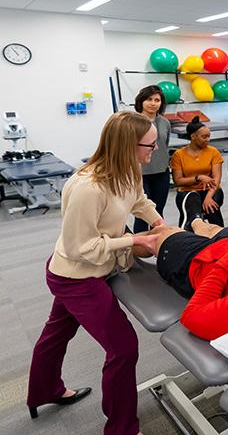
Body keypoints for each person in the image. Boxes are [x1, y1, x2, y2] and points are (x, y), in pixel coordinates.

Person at [27, 111, 164, 435]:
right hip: (75, 277)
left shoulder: (129, 170)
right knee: (124, 347)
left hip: (88, 269)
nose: (154, 151)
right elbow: (80, 248)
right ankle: (121, 428)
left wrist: (158, 222)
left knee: (57, 332)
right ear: (128, 145)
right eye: (150, 145)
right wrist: (134, 240)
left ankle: (44, 390)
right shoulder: (88, 187)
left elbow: (139, 201)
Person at [170, 120, 225, 228]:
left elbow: (216, 179)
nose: (208, 140)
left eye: (209, 136)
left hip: (210, 190)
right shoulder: (179, 155)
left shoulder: (213, 152)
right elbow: (178, 180)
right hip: (187, 191)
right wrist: (198, 177)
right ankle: (187, 235)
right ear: (193, 136)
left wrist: (209, 197)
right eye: (204, 137)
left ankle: (219, 236)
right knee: (192, 213)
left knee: (211, 208)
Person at [133, 85, 171, 233]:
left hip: (161, 172)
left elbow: (163, 145)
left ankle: (157, 245)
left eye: (157, 100)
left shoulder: (165, 123)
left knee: (158, 212)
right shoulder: (133, 122)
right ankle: (139, 249)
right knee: (142, 214)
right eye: (149, 99)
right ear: (141, 101)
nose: (153, 103)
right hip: (140, 174)